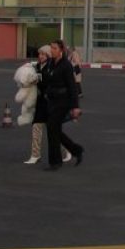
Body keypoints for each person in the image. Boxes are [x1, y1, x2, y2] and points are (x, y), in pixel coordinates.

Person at [24, 45, 70, 165]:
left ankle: (67, 150)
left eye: (44, 54)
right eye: (40, 54)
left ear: (49, 55)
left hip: (51, 102)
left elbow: (52, 82)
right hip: (41, 103)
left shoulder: (52, 66)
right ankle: (35, 155)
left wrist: (39, 80)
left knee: (54, 130)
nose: (41, 56)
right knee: (36, 127)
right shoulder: (37, 66)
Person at [41, 39, 84, 170]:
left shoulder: (66, 65)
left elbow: (72, 86)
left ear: (61, 50)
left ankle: (55, 162)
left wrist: (75, 106)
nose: (51, 50)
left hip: (63, 101)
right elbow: (45, 79)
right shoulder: (49, 63)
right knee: (54, 130)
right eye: (51, 48)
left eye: (54, 48)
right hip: (51, 101)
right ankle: (76, 150)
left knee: (52, 127)